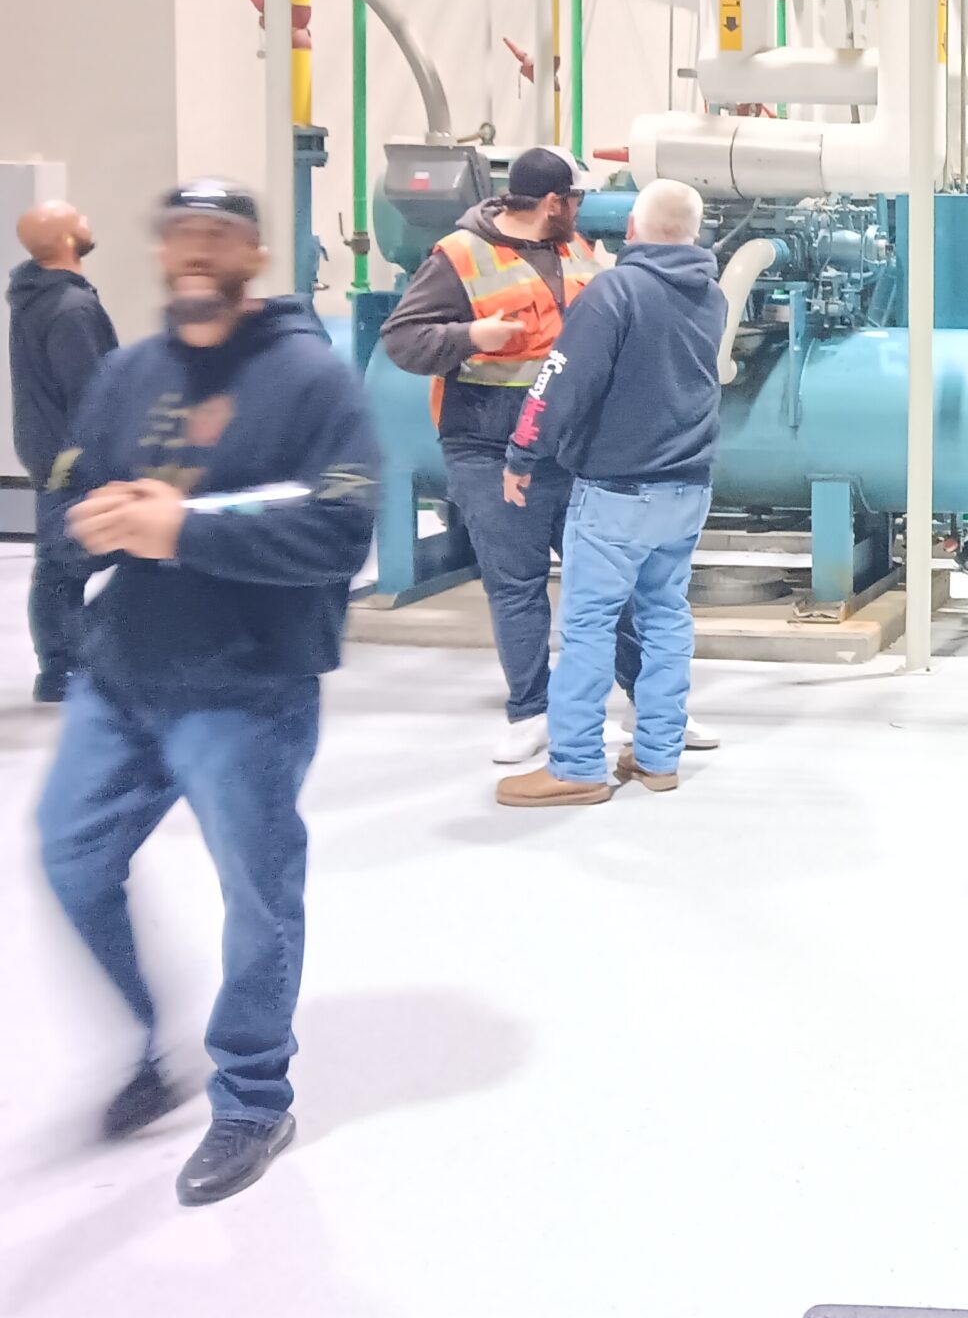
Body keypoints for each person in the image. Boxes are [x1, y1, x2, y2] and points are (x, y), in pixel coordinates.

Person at [38, 180, 377, 1207]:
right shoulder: (130, 372)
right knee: (72, 856)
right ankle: (150, 1047)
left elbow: (338, 531)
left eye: (216, 236)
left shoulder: (312, 380)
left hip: (248, 686)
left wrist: (182, 527)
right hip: (123, 676)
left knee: (257, 895)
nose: (195, 250)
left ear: (253, 254)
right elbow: (64, 498)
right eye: (179, 233)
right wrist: (90, 525)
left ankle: (252, 1098)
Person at [378, 149, 700, 763]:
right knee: (517, 582)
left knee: (613, 584)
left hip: (572, 448)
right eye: (576, 199)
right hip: (488, 447)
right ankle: (531, 711)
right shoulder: (460, 256)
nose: (581, 210)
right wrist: (470, 336)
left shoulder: (575, 248)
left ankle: (649, 705)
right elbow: (402, 338)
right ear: (554, 202)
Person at [495, 179, 724, 807]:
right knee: (666, 618)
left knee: (590, 626)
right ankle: (657, 756)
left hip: (617, 492)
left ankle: (575, 766)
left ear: (630, 229)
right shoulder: (711, 295)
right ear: (694, 233)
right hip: (687, 488)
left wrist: (522, 453)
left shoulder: (615, 291)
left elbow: (560, 381)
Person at [10, 201, 117, 703]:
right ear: (70, 240)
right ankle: (64, 669)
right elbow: (90, 390)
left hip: (50, 450)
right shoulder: (71, 308)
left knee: (62, 565)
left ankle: (65, 665)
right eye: (82, 218)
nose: (88, 220)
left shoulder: (36, 297)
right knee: (65, 566)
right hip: (73, 456)